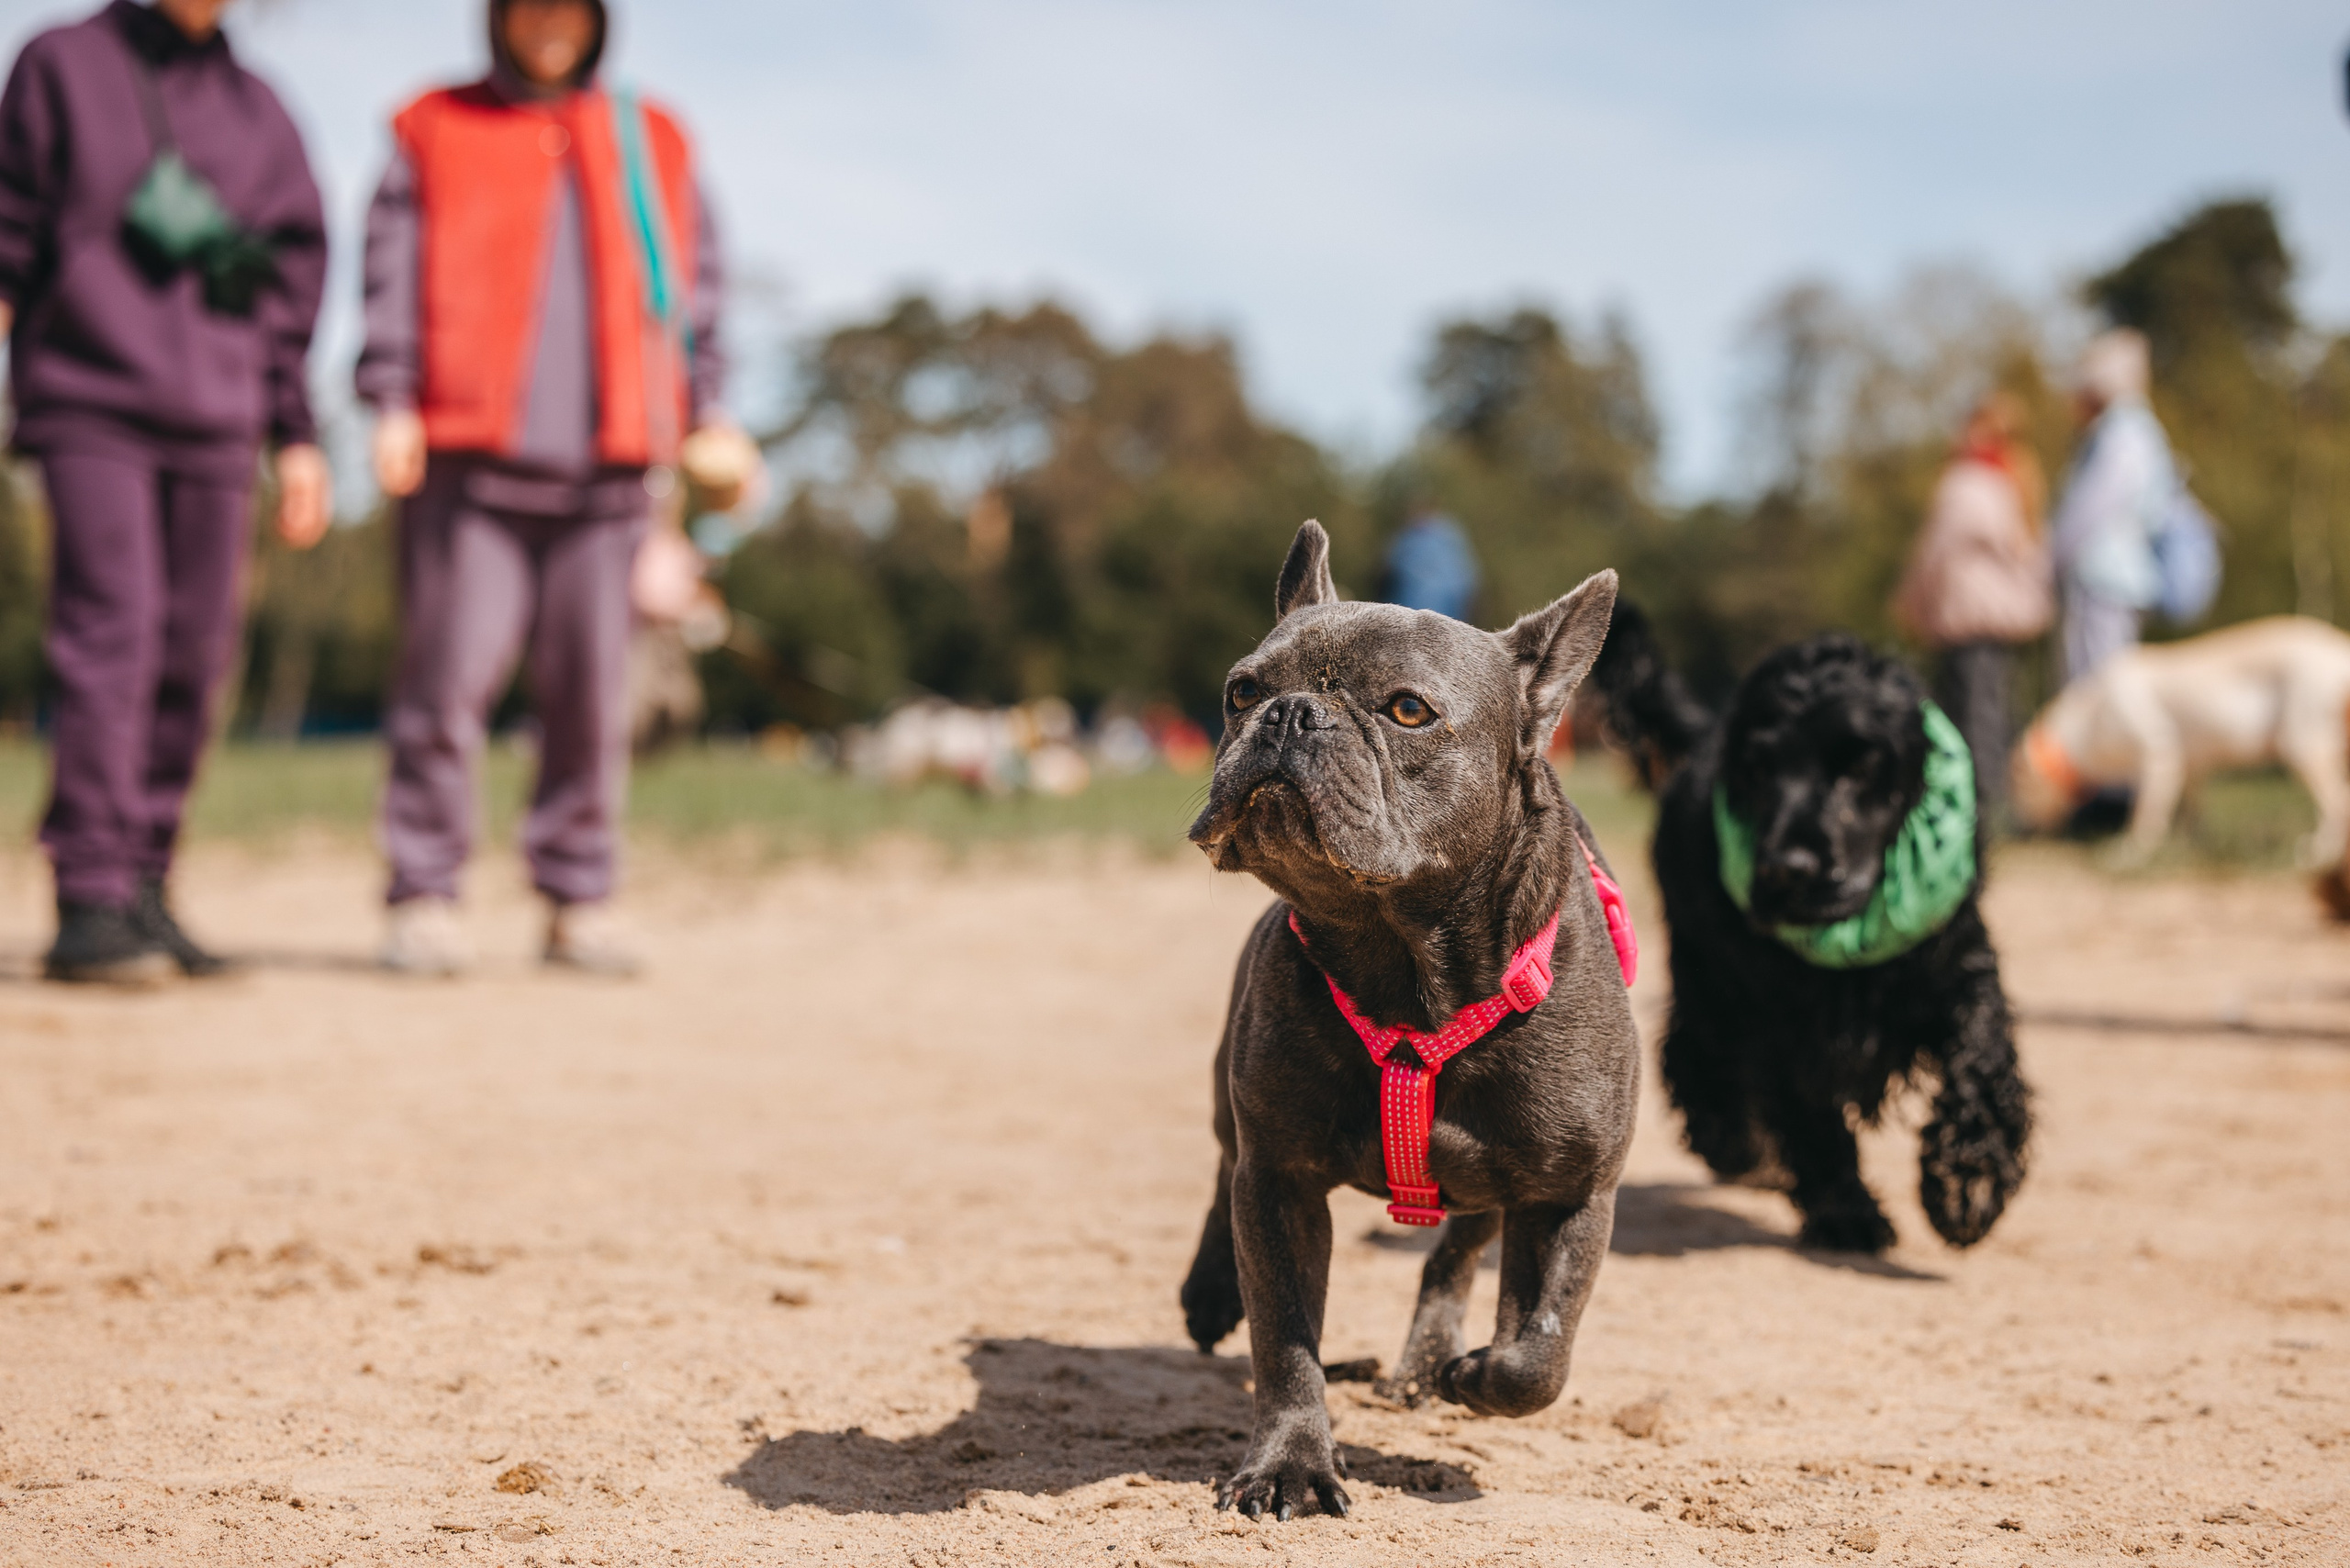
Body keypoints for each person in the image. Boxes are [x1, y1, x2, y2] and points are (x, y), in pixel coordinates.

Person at [358, 0, 738, 977]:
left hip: (611, 474)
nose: (550, 23)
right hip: (468, 465)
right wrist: (390, 394)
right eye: (530, 4)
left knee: (593, 703)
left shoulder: (654, 135)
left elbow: (696, 287)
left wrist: (709, 410)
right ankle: (425, 893)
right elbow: (390, 267)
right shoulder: (435, 123)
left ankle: (578, 898)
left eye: (569, 5)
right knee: (444, 688)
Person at [0, 0, 330, 984]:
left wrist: (297, 434)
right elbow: (9, 225)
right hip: (89, 400)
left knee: (195, 650)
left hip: (221, 421)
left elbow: (287, 286)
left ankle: (146, 879)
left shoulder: (262, 111)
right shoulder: (61, 64)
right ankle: (91, 891)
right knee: (115, 631)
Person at [1891, 390, 2053, 824]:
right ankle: (2008, 799)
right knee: (1999, 710)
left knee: (1970, 714)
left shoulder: (1964, 484)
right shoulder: (2019, 482)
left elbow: (1934, 554)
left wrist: (1911, 603)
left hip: (1968, 614)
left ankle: (1982, 807)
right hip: (2006, 618)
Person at [2051, 330, 2172, 684]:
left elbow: (2090, 508)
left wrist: (2051, 560)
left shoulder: (2121, 433)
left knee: (2092, 688)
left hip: (2103, 577)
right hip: (2120, 576)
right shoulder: (2138, 430)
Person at [1383, 500, 1480, 622]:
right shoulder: (1450, 535)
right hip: (1442, 612)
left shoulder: (1408, 539)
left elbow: (1387, 569)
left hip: (1416, 610)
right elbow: (1468, 580)